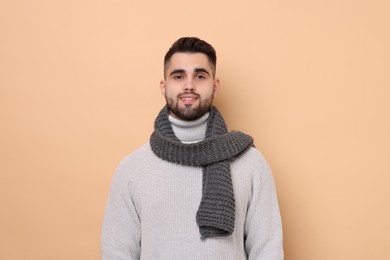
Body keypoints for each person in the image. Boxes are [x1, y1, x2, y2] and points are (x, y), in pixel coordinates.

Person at [101, 37, 284, 260]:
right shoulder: (132, 169)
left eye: (200, 76)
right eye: (178, 76)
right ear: (164, 86)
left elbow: (268, 250)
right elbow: (117, 253)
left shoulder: (250, 163)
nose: (189, 85)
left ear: (215, 86)